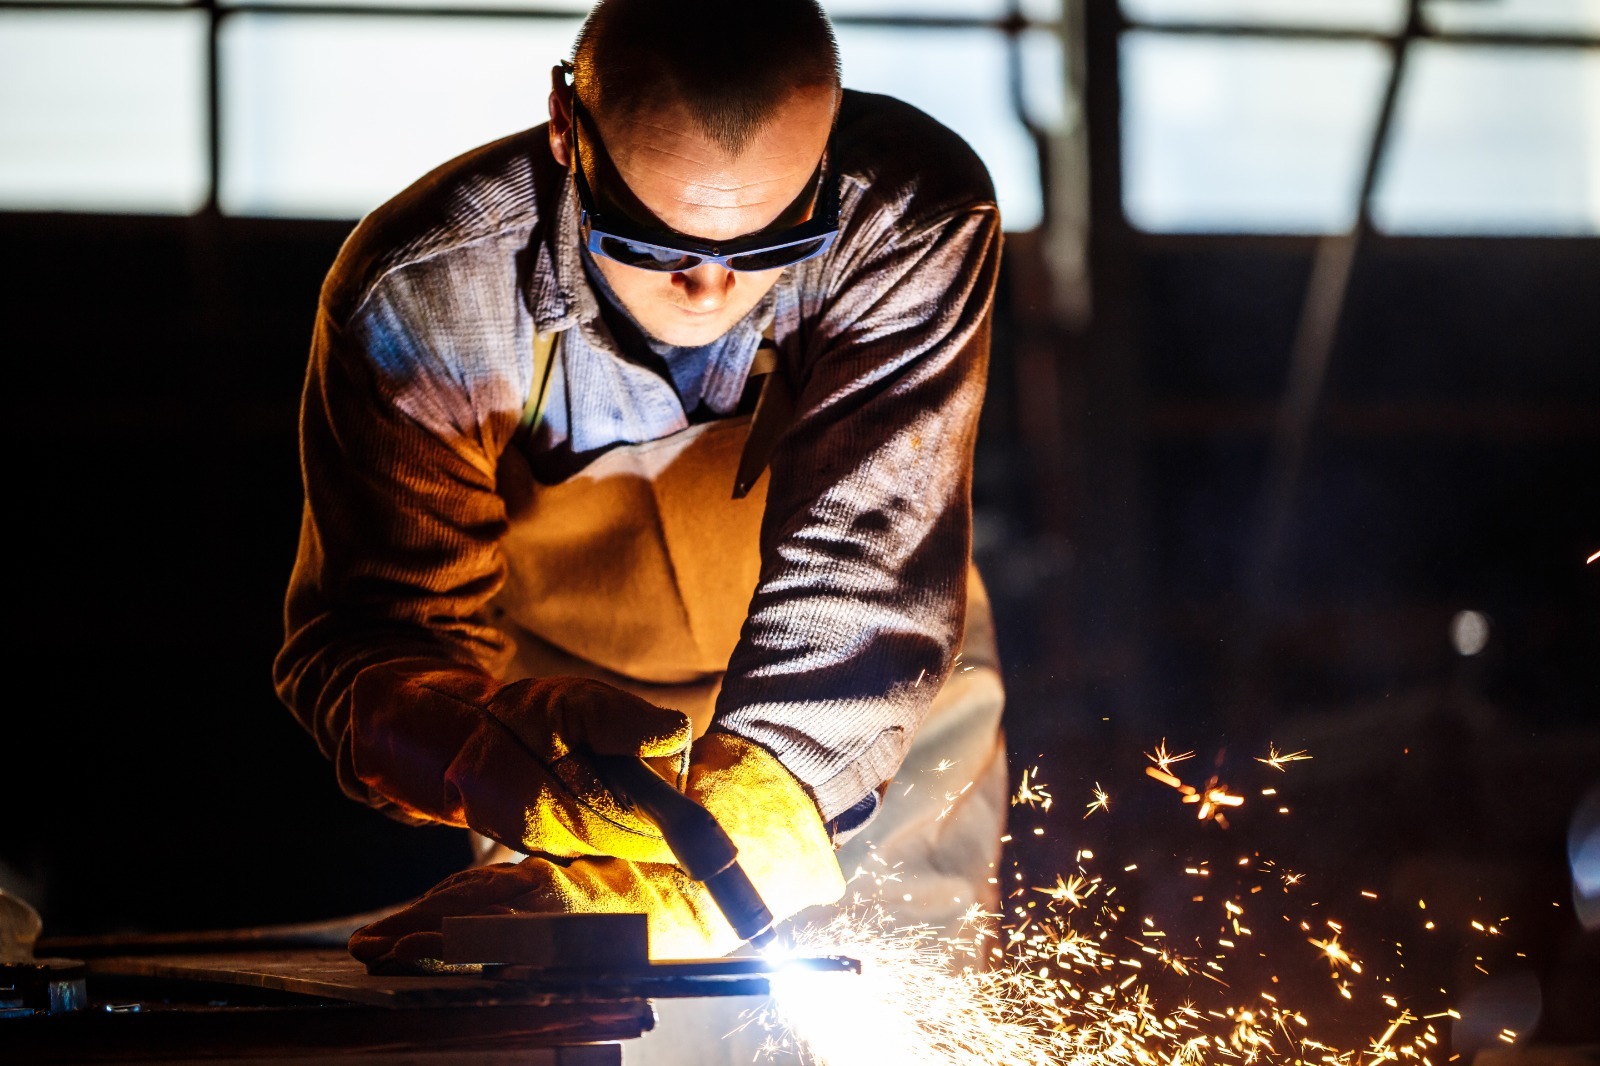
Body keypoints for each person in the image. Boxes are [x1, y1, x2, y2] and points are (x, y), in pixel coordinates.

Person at [273, 0, 1007, 996]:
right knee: (594, 1015)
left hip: (863, 709)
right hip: (582, 747)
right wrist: (475, 748)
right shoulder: (429, 290)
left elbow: (863, 573)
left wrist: (718, 876)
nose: (709, 289)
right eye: (654, 241)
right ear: (567, 125)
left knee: (900, 1004)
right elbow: (375, 636)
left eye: (765, 247)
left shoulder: (905, 217)